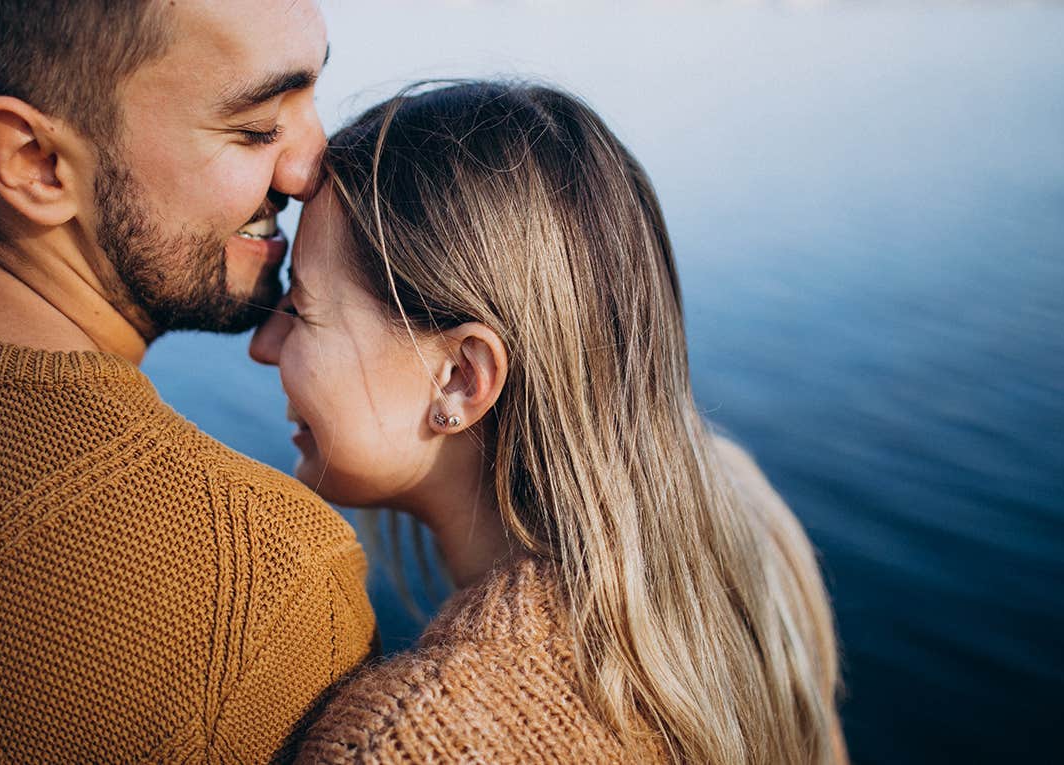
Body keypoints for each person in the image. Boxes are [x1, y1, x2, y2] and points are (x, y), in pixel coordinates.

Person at [0, 1, 375, 761]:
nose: (312, 167)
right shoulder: (265, 587)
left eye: (311, 98)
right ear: (33, 161)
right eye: (255, 127)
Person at [249, 81, 847, 764]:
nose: (262, 345)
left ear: (461, 377)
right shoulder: (744, 530)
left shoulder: (413, 744)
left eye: (300, 307)